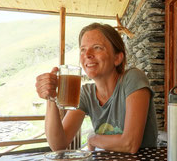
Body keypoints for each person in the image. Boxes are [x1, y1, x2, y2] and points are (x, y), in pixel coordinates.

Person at [35, 23, 158, 153]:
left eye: (97, 47)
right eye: (83, 49)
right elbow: (58, 145)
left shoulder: (133, 78)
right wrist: (51, 98)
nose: (87, 54)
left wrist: (93, 138)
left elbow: (130, 144)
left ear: (117, 58)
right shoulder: (86, 94)